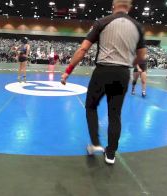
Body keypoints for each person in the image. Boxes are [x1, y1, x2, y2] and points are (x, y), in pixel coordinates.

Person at [61, 0, 146, 165]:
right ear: (130, 7)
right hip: (122, 73)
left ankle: (94, 143)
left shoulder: (102, 22)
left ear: (113, 6)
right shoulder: (138, 27)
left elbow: (83, 49)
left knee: (91, 106)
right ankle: (111, 154)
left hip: (102, 72)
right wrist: (129, 62)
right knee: (115, 114)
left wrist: (68, 71)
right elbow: (142, 57)